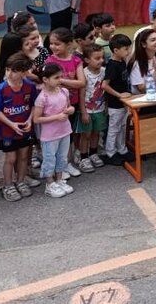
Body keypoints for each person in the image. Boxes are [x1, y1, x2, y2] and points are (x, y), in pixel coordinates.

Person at [0, 53, 40, 202]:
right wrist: (11, 124)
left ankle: (20, 181)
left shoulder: (30, 86)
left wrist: (30, 120)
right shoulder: (1, 89)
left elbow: (34, 105)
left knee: (24, 156)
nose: (9, 73)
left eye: (13, 71)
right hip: (7, 130)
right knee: (11, 158)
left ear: (24, 71)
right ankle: (8, 185)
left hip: (26, 128)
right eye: (7, 70)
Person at [44, 28, 85, 177]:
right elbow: (49, 84)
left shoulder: (76, 60)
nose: (53, 47)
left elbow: (81, 82)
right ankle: (57, 167)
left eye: (57, 44)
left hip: (71, 105)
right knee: (56, 137)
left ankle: (66, 164)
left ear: (68, 44)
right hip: (54, 107)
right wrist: (68, 82)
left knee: (68, 136)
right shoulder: (50, 61)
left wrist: (60, 80)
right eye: (51, 44)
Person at [32, 63, 76, 198]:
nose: (60, 80)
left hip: (64, 130)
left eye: (60, 77)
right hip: (50, 135)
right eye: (56, 78)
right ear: (45, 79)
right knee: (50, 158)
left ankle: (59, 179)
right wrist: (56, 117)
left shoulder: (64, 91)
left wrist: (71, 110)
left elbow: (69, 107)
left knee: (62, 157)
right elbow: (36, 119)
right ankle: (49, 184)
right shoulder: (42, 98)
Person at [101, 34, 133, 166]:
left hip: (123, 103)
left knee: (122, 127)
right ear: (116, 50)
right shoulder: (112, 65)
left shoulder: (122, 61)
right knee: (114, 128)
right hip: (115, 104)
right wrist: (119, 95)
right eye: (126, 49)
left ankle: (122, 149)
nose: (128, 51)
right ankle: (110, 152)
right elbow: (104, 85)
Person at [76, 44, 108, 174]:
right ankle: (84, 157)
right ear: (87, 60)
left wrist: (106, 105)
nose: (101, 60)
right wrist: (83, 112)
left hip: (100, 108)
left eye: (102, 57)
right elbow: (81, 94)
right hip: (87, 110)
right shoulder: (84, 74)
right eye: (97, 58)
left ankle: (93, 153)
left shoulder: (104, 72)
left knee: (96, 132)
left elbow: (105, 90)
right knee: (86, 134)